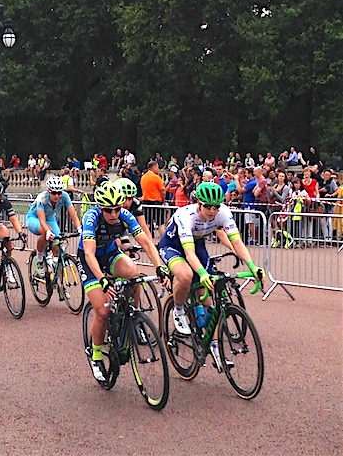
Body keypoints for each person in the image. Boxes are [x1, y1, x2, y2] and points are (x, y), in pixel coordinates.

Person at [158, 182, 264, 368]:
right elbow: (188, 254)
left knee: (211, 305)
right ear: (199, 203)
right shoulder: (186, 215)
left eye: (216, 206)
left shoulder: (223, 213)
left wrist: (253, 266)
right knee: (186, 276)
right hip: (173, 246)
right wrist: (202, 274)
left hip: (197, 245)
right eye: (207, 206)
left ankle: (214, 347)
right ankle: (179, 309)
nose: (212, 211)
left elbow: (237, 242)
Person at [80, 181, 168, 381]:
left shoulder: (125, 216)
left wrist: (159, 266)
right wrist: (102, 280)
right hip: (90, 259)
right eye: (109, 210)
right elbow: (88, 253)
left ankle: (132, 316)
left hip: (110, 253)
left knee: (133, 274)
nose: (113, 214)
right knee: (102, 311)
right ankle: (95, 355)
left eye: (117, 209)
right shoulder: (91, 217)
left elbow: (145, 241)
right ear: (101, 208)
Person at [26, 176, 82, 279]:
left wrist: (79, 229)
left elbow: (73, 214)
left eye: (59, 193)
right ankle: (39, 260)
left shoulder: (65, 196)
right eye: (54, 193)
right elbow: (42, 221)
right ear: (48, 191)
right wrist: (47, 231)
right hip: (35, 218)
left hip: (50, 219)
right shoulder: (42, 198)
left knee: (58, 243)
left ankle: (57, 273)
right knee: (47, 232)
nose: (57, 196)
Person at [140, 160, 166, 236]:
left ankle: (147, 240)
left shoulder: (143, 178)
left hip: (146, 202)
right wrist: (163, 200)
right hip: (156, 202)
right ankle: (164, 241)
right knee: (161, 224)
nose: (158, 169)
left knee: (147, 223)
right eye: (157, 167)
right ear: (153, 167)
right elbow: (163, 191)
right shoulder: (156, 177)